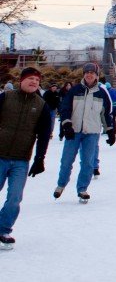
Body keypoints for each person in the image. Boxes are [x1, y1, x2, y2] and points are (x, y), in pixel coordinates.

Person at [0, 67, 54, 250]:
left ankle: (3, 230)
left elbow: (44, 134)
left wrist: (40, 158)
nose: (34, 82)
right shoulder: (6, 97)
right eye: (30, 78)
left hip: (21, 160)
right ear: (21, 80)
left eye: (37, 80)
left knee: (15, 198)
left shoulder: (41, 105)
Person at [55, 62, 115, 203]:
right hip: (74, 131)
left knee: (88, 163)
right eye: (87, 72)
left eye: (92, 73)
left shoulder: (101, 93)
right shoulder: (75, 90)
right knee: (66, 161)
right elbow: (65, 108)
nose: (89, 75)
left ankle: (82, 189)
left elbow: (106, 114)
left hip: (92, 132)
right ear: (83, 74)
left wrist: (110, 131)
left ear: (96, 76)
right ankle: (61, 184)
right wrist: (67, 124)